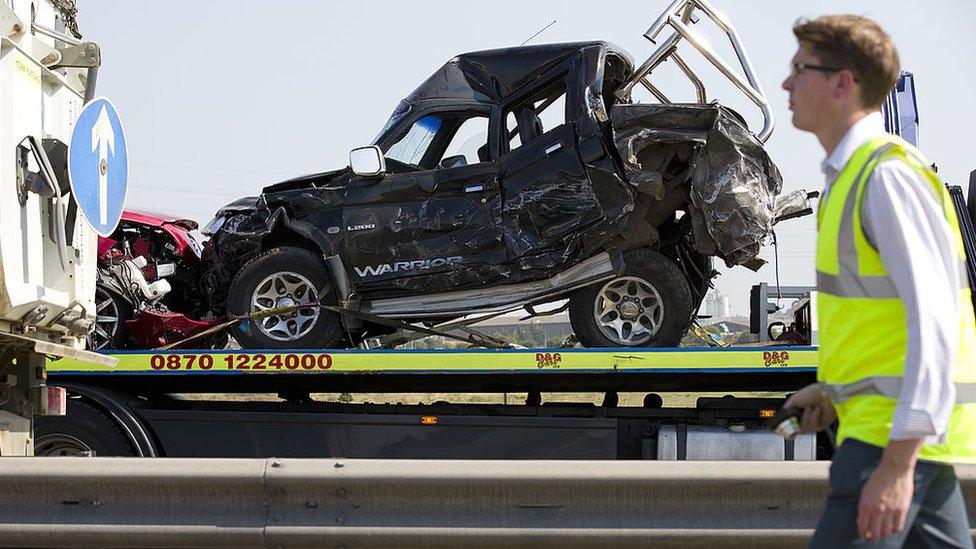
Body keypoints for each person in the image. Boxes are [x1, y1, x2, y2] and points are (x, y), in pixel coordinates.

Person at [780, 14, 976, 548]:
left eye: (801, 69)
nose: (786, 83)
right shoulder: (852, 178)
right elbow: (882, 326)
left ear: (843, 83)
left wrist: (896, 464)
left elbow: (935, 319)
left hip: (886, 445)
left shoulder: (884, 177)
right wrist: (834, 390)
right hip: (891, 440)